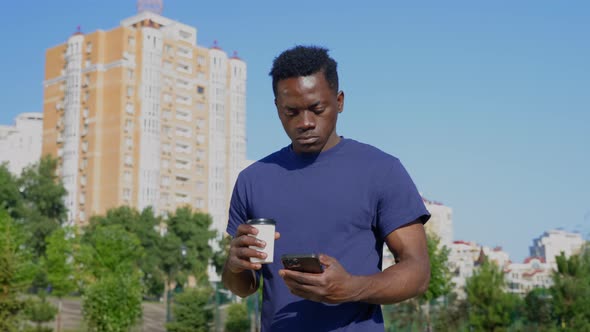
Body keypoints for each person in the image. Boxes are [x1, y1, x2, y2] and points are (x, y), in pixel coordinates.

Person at [222, 45, 431, 331]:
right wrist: (233, 266)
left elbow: (418, 272)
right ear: (276, 108)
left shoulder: (382, 170)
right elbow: (245, 286)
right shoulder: (252, 180)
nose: (305, 122)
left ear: (340, 100)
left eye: (317, 109)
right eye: (291, 112)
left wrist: (351, 288)